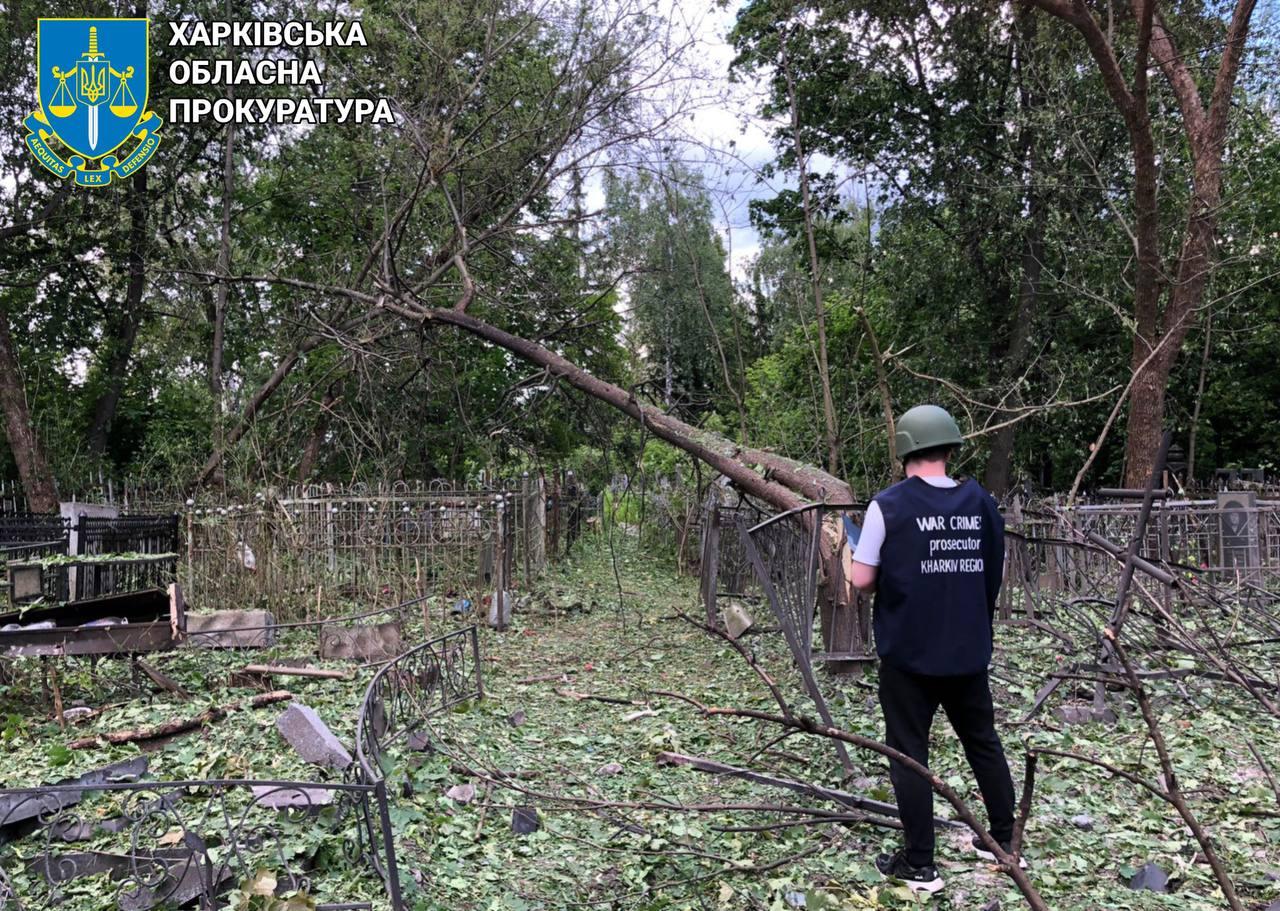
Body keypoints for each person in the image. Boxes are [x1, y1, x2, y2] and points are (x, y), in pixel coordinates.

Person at [850, 404, 1019, 894]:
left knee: (909, 754)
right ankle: (1004, 841)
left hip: (909, 656)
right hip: (967, 651)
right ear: (950, 447)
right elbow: (993, 573)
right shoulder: (983, 502)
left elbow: (862, 580)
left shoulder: (889, 505)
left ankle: (920, 865)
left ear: (904, 447)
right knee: (982, 742)